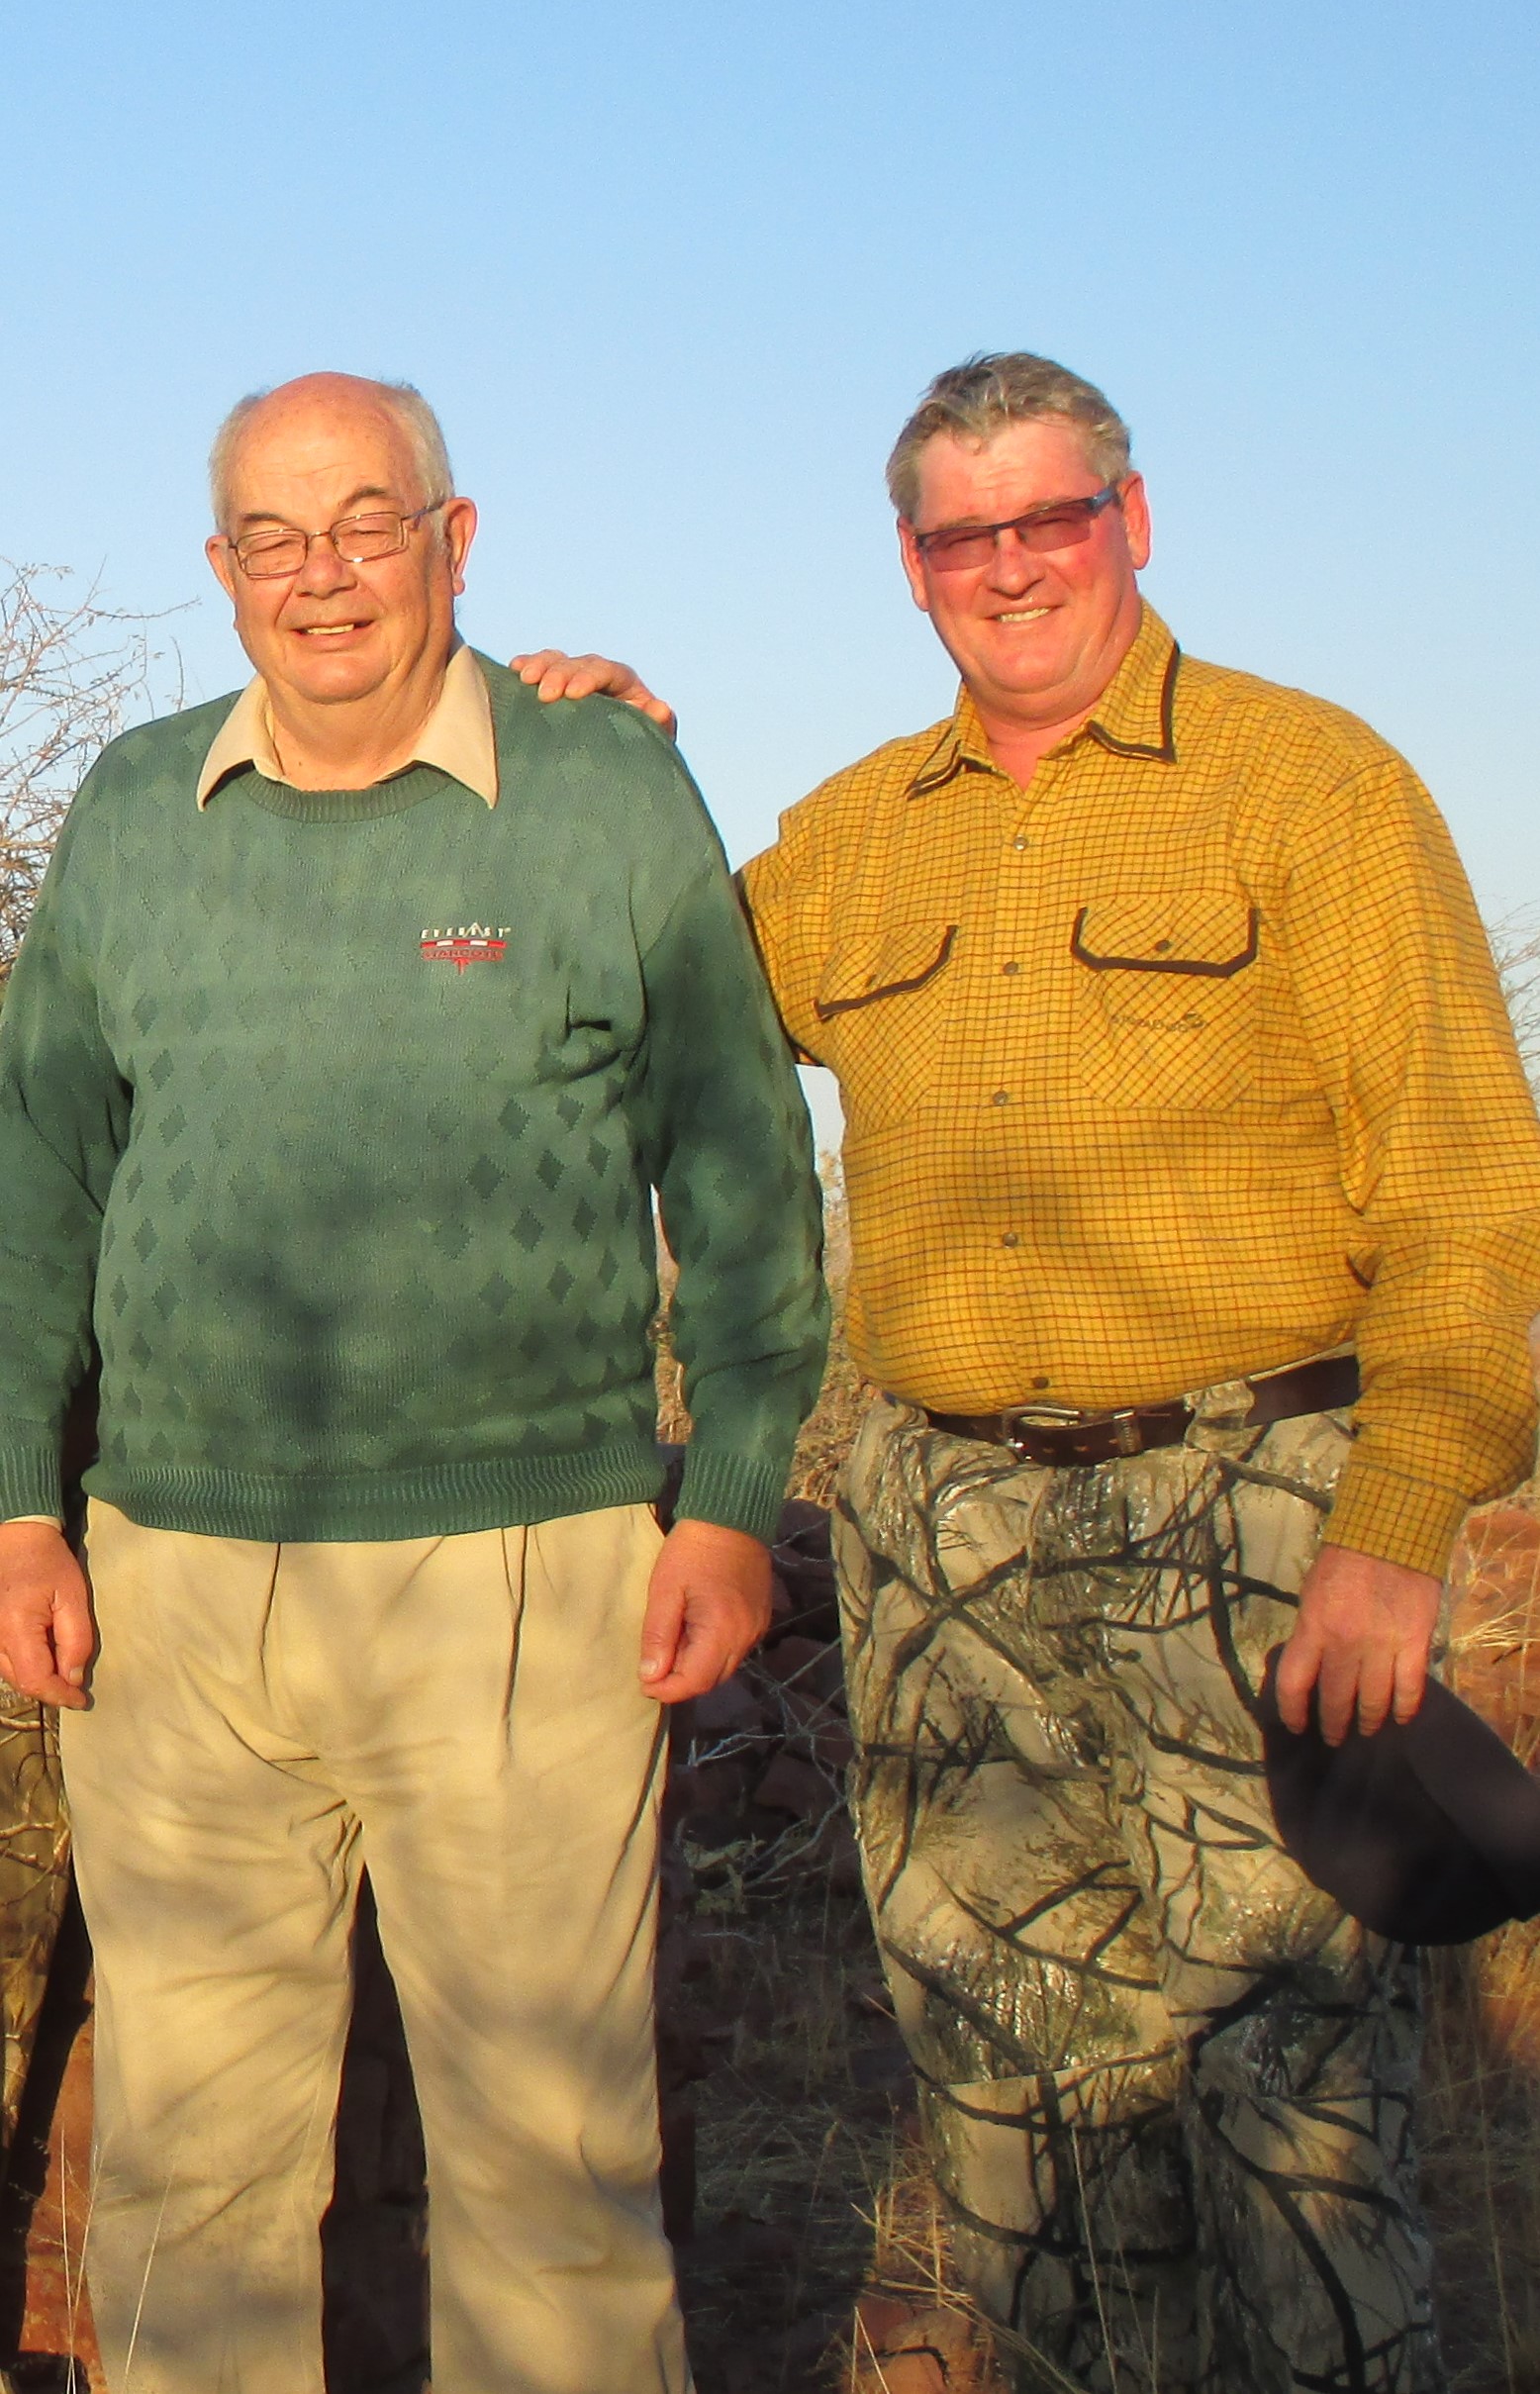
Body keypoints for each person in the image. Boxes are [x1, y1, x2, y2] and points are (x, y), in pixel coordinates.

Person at [512, 352, 1540, 2393]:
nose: (1011, 568)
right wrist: (629, 774)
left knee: (1298, 2132)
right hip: (946, 1536)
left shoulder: (1311, 786)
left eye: (1051, 518)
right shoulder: (859, 836)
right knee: (1013, 2115)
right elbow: (658, 1000)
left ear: (1129, 523)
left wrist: (1395, 1529)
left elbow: (1468, 1195)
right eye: (962, 534)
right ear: (910, 566)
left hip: (1254, 1520)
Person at [0, 370, 828, 2394]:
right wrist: (21, 1497)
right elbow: (35, 1177)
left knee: (554, 2183)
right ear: (218, 569)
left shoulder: (600, 787)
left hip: (525, 1577)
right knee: (186, 2191)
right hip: (178, 1591)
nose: (324, 576)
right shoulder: (134, 808)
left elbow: (737, 1159)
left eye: (368, 523)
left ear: (455, 541)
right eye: (274, 538)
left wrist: (730, 1493)